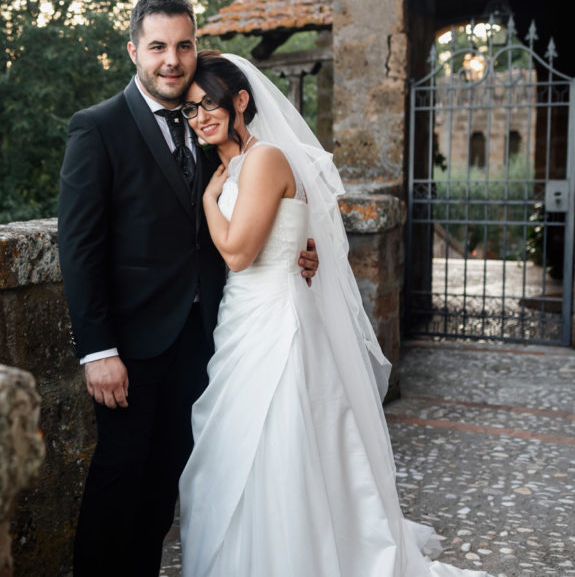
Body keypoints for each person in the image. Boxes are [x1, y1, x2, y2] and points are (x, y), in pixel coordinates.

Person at [177, 50, 491, 577]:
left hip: (277, 321)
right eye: (190, 110)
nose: (201, 116)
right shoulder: (234, 163)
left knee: (282, 440)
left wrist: (211, 198)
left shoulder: (265, 158)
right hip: (245, 316)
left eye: (209, 104)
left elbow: (238, 253)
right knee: (245, 445)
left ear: (241, 101)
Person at [57, 0, 318, 575]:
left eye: (183, 45)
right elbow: (78, 247)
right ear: (133, 51)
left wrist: (299, 247)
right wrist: (98, 350)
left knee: (166, 483)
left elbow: (256, 202)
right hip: (129, 347)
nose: (171, 60)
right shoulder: (96, 128)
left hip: (207, 341)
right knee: (118, 478)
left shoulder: (210, 124)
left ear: (196, 48)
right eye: (157, 47)